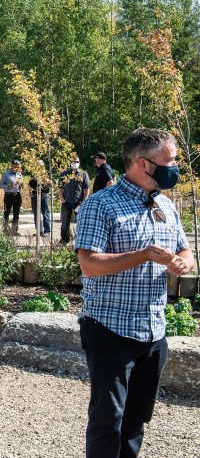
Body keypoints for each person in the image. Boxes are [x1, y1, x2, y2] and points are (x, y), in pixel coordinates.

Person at [75, 128, 194, 457]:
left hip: (154, 331)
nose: (175, 167)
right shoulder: (101, 205)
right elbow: (89, 264)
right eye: (169, 160)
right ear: (144, 164)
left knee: (136, 420)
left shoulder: (166, 206)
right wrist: (142, 254)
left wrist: (183, 263)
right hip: (110, 330)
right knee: (107, 421)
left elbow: (186, 251)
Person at [58, 156, 90, 244]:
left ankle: (80, 241)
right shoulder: (64, 174)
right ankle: (65, 240)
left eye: (77, 161)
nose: (75, 163)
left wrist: (84, 200)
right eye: (73, 161)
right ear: (70, 162)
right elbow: (59, 187)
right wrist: (62, 199)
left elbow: (87, 188)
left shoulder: (83, 174)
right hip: (66, 202)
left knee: (81, 223)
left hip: (79, 203)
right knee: (64, 223)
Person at [0, 159, 23, 236]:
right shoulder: (6, 174)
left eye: (17, 166)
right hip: (9, 195)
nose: (15, 167)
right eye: (14, 165)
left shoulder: (19, 174)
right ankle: (5, 230)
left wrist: (21, 184)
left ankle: (14, 230)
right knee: (7, 213)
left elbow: (22, 186)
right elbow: (0, 185)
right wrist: (9, 186)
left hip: (17, 195)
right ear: (11, 165)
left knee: (16, 213)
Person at [29, 169, 52, 237]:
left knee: (45, 214)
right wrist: (30, 193)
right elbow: (30, 185)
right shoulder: (33, 174)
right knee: (36, 214)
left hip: (44, 196)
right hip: (35, 196)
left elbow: (53, 183)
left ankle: (47, 231)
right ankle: (39, 231)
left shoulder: (47, 173)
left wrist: (48, 181)